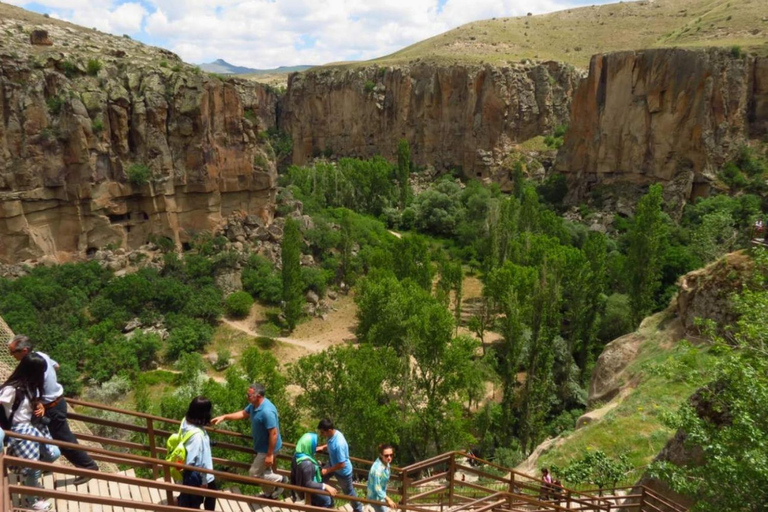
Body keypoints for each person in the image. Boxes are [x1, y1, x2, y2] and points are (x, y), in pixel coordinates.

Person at [8, 335, 99, 485]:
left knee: (63, 440)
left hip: (50, 408)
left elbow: (33, 389)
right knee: (45, 436)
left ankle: (88, 467)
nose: (12, 356)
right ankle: (42, 464)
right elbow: (56, 365)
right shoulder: (41, 355)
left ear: (24, 350)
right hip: (56, 402)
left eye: (13, 352)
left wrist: (38, 402)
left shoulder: (32, 367)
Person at [1, 353, 61, 511]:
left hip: (32, 425)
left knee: (53, 453)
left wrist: (39, 404)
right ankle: (31, 499)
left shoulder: (32, 385)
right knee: (33, 466)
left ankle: (29, 479)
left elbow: (31, 401)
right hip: (18, 429)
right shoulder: (11, 389)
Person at [210, 383, 287, 499]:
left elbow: (274, 433)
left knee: (254, 474)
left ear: (258, 396)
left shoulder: (267, 411)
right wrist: (224, 417)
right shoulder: (254, 405)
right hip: (261, 447)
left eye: (249, 395)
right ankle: (269, 494)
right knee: (265, 472)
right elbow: (243, 413)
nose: (247, 397)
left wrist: (270, 454)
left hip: (267, 449)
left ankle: (281, 480)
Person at [177, 396, 216, 510]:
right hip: (200, 474)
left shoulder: (185, 421)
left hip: (192, 473)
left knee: (192, 498)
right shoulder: (197, 436)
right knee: (195, 502)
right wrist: (203, 481)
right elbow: (195, 461)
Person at [316, 418, 363, 512]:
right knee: (320, 478)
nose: (321, 434)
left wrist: (327, 470)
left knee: (349, 493)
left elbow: (342, 464)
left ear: (329, 430)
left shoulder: (339, 443)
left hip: (343, 472)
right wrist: (323, 447)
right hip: (333, 464)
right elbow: (330, 444)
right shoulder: (333, 435)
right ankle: (328, 502)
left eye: (322, 432)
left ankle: (358, 509)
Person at [290, 432, 337, 507]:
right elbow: (308, 483)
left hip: (299, 486)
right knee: (327, 500)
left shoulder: (297, 455)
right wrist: (325, 486)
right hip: (307, 490)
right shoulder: (307, 464)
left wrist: (316, 465)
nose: (316, 446)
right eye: (314, 444)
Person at [367, 443, 397, 512]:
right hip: (374, 497)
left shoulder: (386, 463)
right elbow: (377, 488)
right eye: (386, 455)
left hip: (381, 496)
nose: (389, 457)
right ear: (381, 455)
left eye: (391, 455)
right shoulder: (377, 469)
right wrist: (388, 499)